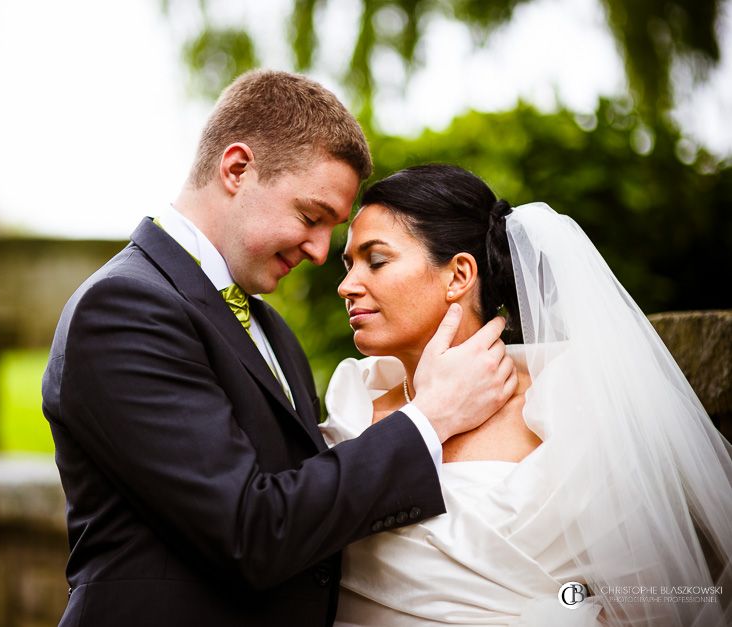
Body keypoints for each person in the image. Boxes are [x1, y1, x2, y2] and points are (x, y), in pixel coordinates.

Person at [41, 72, 516, 626]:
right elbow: (250, 531)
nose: (320, 253)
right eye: (311, 217)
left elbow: (308, 503)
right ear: (237, 168)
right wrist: (431, 418)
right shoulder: (124, 307)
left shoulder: (271, 329)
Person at [322, 164, 732, 626]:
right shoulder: (351, 405)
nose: (347, 286)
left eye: (375, 261)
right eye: (348, 264)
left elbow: (646, 596)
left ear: (458, 275)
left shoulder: (568, 403)